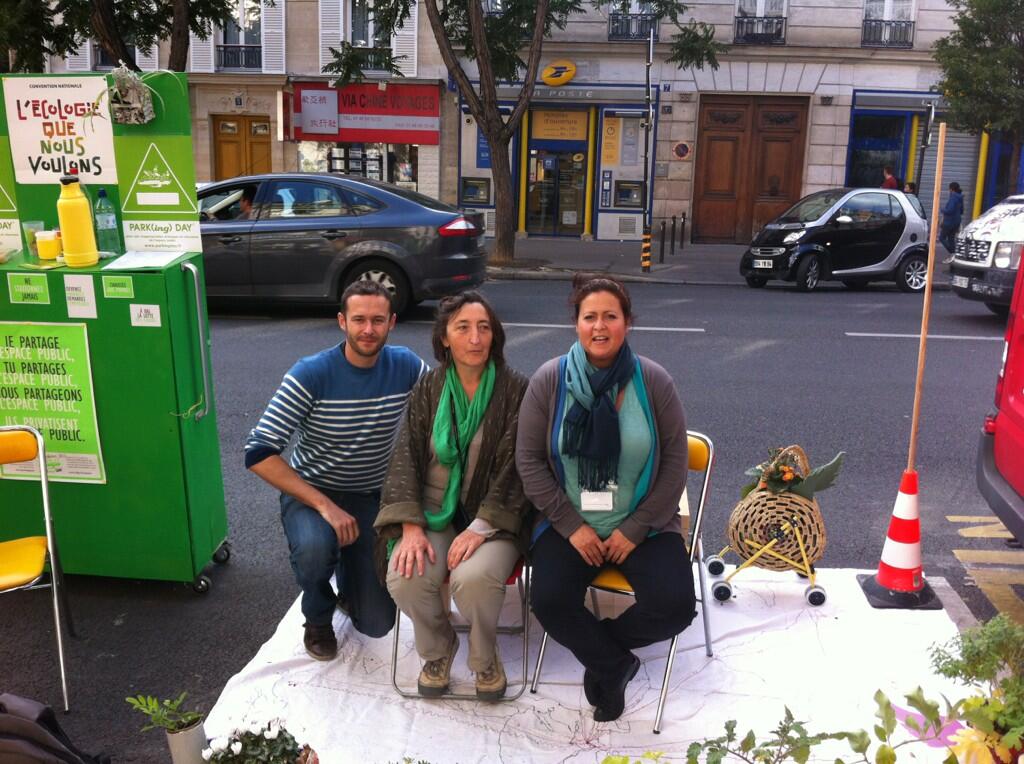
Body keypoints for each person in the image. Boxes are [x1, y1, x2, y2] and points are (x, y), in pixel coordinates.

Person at [516, 274, 695, 723]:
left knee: (675, 607)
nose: (600, 326)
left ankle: (603, 653)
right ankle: (615, 665)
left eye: (610, 317)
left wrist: (636, 529)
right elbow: (529, 461)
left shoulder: (653, 381)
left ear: (627, 323)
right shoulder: (549, 380)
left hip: (644, 521)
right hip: (568, 522)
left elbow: (674, 461)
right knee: (550, 601)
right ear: (575, 324)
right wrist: (571, 526)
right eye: (589, 316)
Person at [245, 281, 427, 661]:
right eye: (358, 319)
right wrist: (325, 506)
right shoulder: (311, 373)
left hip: (369, 498)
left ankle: (348, 573)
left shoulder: (406, 365)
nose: (368, 330)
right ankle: (317, 615)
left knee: (376, 624)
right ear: (341, 321)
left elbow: (445, 404)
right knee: (314, 551)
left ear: (392, 322)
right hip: (312, 494)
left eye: (378, 320)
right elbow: (259, 452)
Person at [375, 292, 530, 700]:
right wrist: (410, 526)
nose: (475, 338)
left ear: (494, 336)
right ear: (444, 338)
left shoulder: (516, 389)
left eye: (483, 328)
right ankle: (439, 649)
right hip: (432, 510)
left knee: (473, 577)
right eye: (463, 328)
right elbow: (405, 451)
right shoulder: (429, 386)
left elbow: (520, 467)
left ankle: (485, 658)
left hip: (493, 517)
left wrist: (480, 528)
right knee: (405, 575)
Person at [940, 181, 964, 254]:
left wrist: (942, 209)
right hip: (956, 222)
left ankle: (953, 252)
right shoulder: (960, 197)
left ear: (951, 189)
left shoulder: (953, 197)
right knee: (951, 239)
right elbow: (962, 211)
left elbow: (949, 210)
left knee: (942, 238)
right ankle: (953, 255)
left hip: (949, 222)